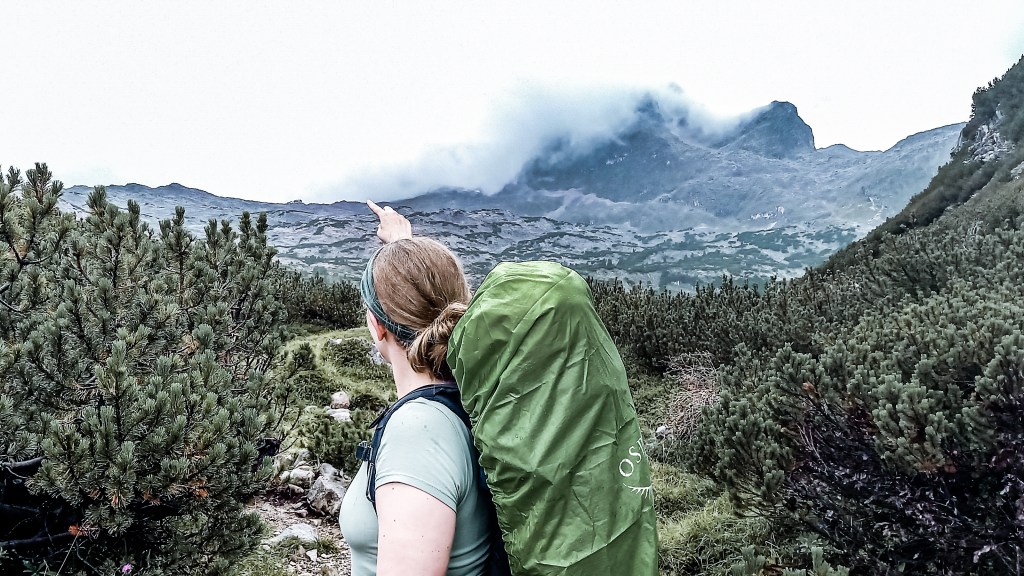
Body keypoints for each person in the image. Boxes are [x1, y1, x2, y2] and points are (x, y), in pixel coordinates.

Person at [337, 200, 493, 576]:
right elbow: (430, 296)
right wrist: (400, 247)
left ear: (377, 326)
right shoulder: (467, 395)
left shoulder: (419, 432)